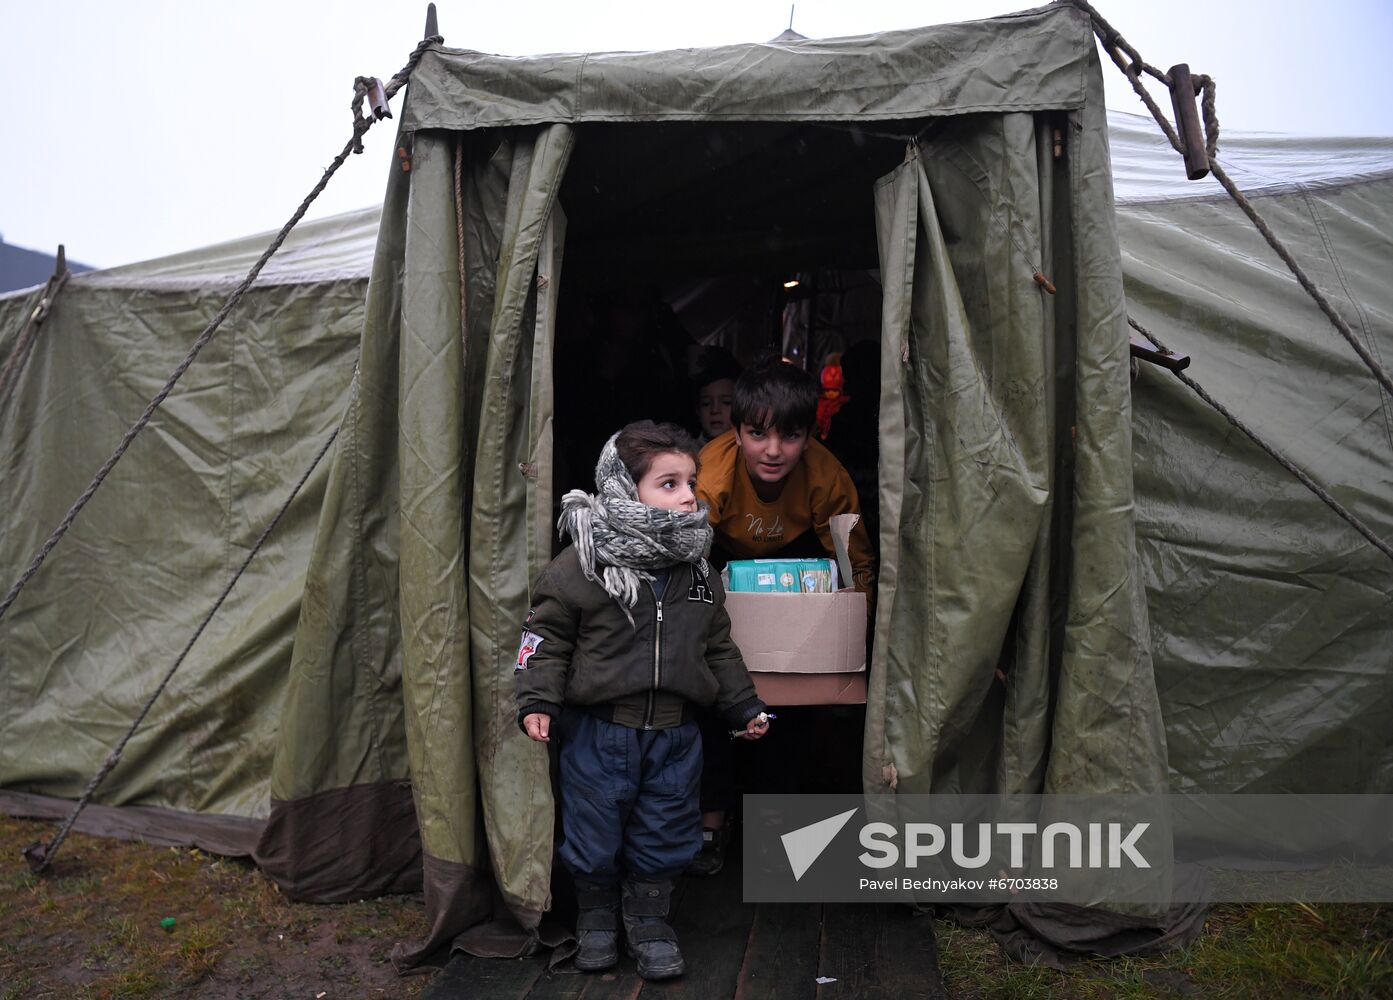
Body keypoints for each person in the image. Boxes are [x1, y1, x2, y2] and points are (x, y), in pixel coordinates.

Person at [516, 420, 770, 981]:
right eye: (670, 483)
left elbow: (718, 646)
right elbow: (545, 641)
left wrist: (743, 707)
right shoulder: (582, 565)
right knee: (593, 830)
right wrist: (538, 701)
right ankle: (598, 919)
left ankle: (651, 921)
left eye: (690, 482)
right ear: (626, 490)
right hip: (599, 733)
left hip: (676, 736)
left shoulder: (698, 569)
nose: (688, 496)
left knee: (665, 827)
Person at [687, 357, 876, 873]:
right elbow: (681, 552)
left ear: (810, 434)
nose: (773, 451)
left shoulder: (826, 476)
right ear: (737, 431)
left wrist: (844, 637)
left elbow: (854, 562)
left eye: (790, 436)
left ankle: (778, 830)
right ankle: (712, 823)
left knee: (787, 713)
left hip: (799, 574)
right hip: (721, 568)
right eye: (757, 434)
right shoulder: (713, 470)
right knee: (714, 705)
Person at [689, 346, 742, 444]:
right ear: (697, 410)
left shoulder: (748, 453)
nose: (715, 410)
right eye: (706, 403)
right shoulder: (687, 454)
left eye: (726, 402)